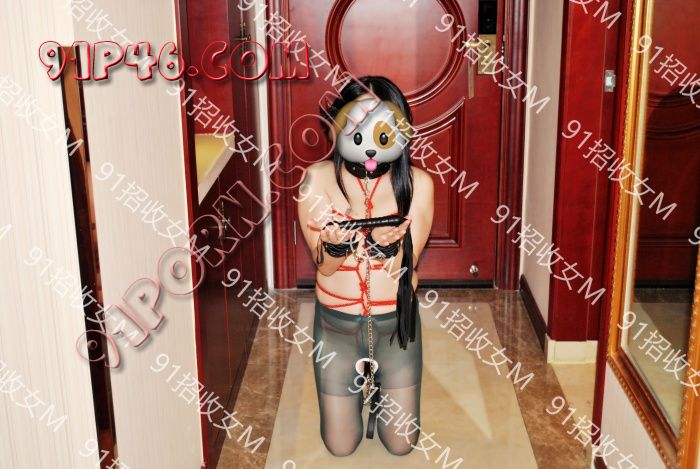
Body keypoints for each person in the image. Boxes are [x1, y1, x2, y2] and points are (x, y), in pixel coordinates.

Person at [297, 76, 435, 456]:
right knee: (340, 446)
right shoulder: (316, 180)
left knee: (401, 444)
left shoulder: (419, 184)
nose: (370, 143)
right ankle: (354, 387)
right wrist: (335, 245)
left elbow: (406, 270)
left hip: (396, 327)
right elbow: (325, 268)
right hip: (336, 328)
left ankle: (380, 388)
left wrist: (385, 247)